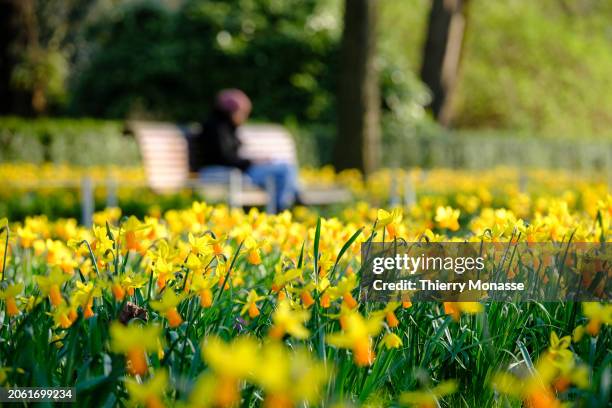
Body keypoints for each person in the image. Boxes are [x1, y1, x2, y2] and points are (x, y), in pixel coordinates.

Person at [190, 89, 299, 211]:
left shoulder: (225, 127)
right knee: (285, 170)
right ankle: (285, 206)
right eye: (242, 113)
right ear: (231, 111)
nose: (244, 117)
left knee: (284, 170)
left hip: (237, 170)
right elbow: (225, 158)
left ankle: (287, 203)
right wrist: (251, 162)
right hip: (225, 171)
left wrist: (254, 161)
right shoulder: (216, 129)